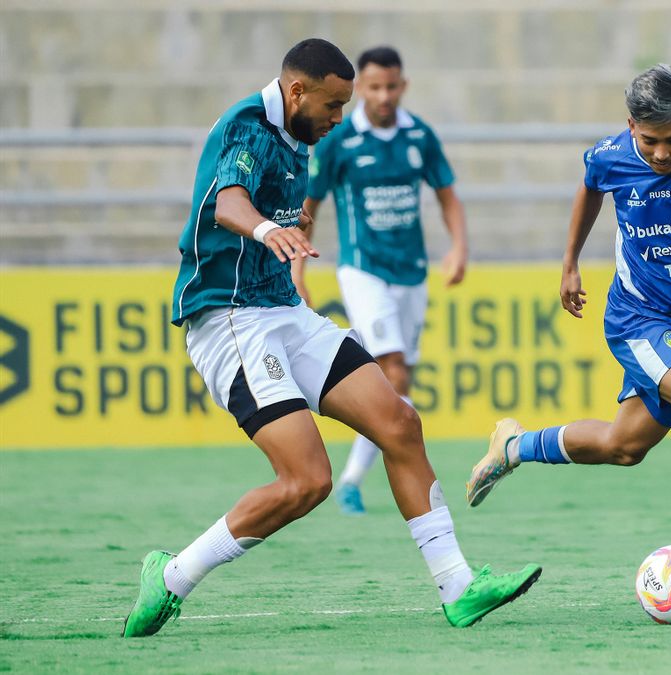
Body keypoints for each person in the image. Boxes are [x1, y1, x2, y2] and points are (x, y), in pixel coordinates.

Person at [122, 38, 539, 638]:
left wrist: (292, 228)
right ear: (297, 90)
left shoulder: (302, 136)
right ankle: (171, 578)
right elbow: (227, 201)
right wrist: (268, 228)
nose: (340, 118)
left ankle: (459, 587)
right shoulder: (247, 125)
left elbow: (279, 205)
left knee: (400, 422)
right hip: (228, 319)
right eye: (334, 104)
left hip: (281, 312)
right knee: (307, 480)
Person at [464, 64, 671, 574]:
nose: (663, 153)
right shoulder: (610, 155)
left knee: (625, 445)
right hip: (638, 317)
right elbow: (590, 187)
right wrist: (569, 264)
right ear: (632, 126)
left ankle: (515, 445)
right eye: (652, 140)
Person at [296, 45, 468, 516]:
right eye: (373, 87)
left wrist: (457, 248)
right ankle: (375, 476)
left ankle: (354, 478)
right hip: (362, 268)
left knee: (399, 382)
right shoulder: (340, 139)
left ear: (403, 85)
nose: (383, 95)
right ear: (361, 90)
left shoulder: (419, 136)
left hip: (411, 271)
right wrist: (298, 267)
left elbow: (447, 195)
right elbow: (308, 208)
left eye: (391, 86)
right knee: (390, 368)